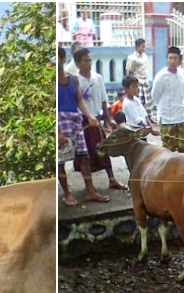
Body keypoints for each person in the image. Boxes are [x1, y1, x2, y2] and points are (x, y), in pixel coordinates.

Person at [57, 46, 109, 206]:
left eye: (58, 57)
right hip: (59, 120)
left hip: (76, 119)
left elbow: (79, 100)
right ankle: (67, 194)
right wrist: (57, 132)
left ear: (63, 58)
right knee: (61, 161)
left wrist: (89, 116)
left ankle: (91, 191)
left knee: (84, 157)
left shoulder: (73, 79)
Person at [72, 48, 125, 190]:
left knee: (104, 150)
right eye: (85, 60)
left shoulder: (97, 78)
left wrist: (108, 119)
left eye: (90, 60)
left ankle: (112, 179)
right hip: (83, 122)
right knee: (85, 155)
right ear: (77, 63)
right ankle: (90, 187)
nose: (89, 63)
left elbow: (103, 99)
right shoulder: (75, 80)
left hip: (96, 120)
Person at [152, 46, 184, 152]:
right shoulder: (161, 77)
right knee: (169, 149)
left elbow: (182, 93)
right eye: (170, 58)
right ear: (167, 59)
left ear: (179, 60)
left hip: (180, 116)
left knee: (183, 146)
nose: (172, 61)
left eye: (175, 58)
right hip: (167, 118)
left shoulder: (181, 74)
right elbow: (155, 96)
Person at [126, 38, 153, 120]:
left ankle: (149, 118)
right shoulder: (132, 58)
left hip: (145, 81)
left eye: (144, 47)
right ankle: (139, 118)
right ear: (137, 47)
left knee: (148, 102)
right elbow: (129, 71)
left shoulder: (145, 56)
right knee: (139, 102)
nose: (144, 49)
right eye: (142, 47)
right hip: (137, 82)